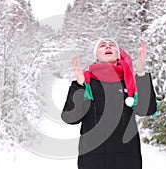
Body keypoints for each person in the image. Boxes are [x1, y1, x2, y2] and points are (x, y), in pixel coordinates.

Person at [61, 38, 157, 169]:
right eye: (102, 45)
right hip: (93, 159)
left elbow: (147, 110)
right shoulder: (86, 83)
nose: (108, 47)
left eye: (112, 45)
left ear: (118, 55)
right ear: (96, 56)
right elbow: (70, 118)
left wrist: (140, 71)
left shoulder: (130, 82)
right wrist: (79, 85)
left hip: (127, 159)